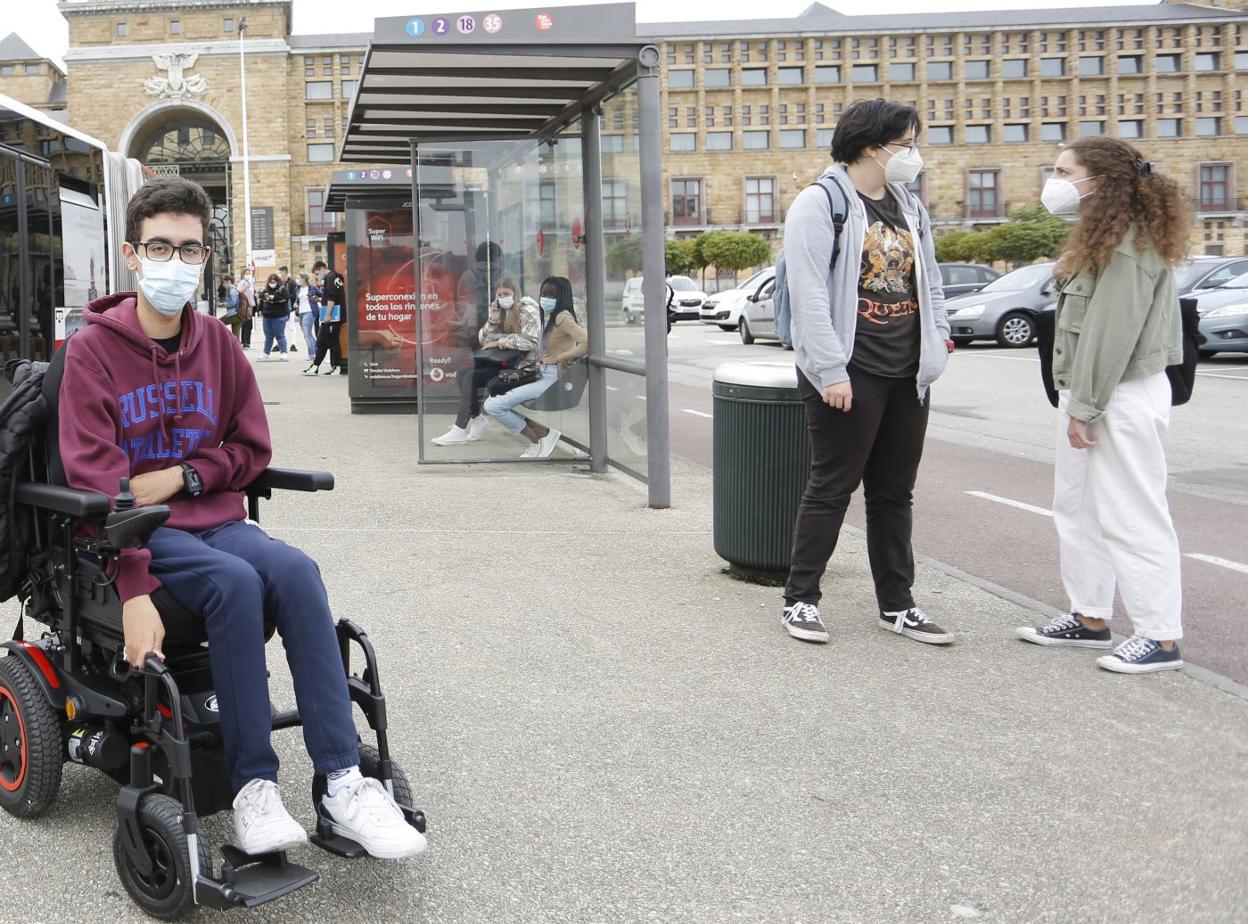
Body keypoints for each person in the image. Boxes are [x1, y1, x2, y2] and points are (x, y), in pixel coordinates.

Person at [57, 177, 425, 859]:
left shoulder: (219, 346)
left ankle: (342, 784)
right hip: (142, 536)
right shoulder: (91, 352)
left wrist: (186, 474)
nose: (175, 261)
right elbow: (102, 485)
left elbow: (250, 448)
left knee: (296, 569)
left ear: (206, 259)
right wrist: (134, 592)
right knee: (235, 582)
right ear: (132, 255)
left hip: (216, 520)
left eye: (189, 249)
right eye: (160, 246)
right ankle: (255, 789)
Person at [781, 98, 954, 647]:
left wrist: (939, 344)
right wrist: (830, 369)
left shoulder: (909, 205)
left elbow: (930, 280)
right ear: (870, 145)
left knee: (894, 493)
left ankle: (898, 606)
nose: (913, 155)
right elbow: (809, 292)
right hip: (848, 373)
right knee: (832, 486)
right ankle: (801, 600)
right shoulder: (821, 202)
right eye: (905, 144)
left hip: (908, 374)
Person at [1016, 137, 1190, 674]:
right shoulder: (1104, 234)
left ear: (1102, 180)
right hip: (1093, 393)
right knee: (1078, 507)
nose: (1056, 180)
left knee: (1132, 512)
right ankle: (1090, 617)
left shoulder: (1128, 243)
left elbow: (1111, 333)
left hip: (1117, 393)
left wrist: (1085, 407)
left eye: (1065, 171)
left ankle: (1160, 636)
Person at [482, 276, 586, 457]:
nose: (545, 299)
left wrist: (564, 356)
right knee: (493, 391)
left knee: (495, 406)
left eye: (551, 295)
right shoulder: (550, 317)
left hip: (550, 378)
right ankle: (541, 439)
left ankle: (540, 439)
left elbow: (587, 341)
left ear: (562, 296)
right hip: (538, 371)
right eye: (543, 294)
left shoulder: (562, 317)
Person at [432, 276, 540, 446]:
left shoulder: (527, 311)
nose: (503, 298)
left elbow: (531, 342)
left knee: (470, 378)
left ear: (516, 293)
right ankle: (476, 419)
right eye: (500, 295)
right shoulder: (500, 311)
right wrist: (494, 318)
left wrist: (500, 341)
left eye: (507, 293)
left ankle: (459, 429)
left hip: (522, 370)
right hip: (503, 366)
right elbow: (482, 339)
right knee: (464, 374)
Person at [303, 259, 345, 376]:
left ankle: (319, 366)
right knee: (329, 341)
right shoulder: (336, 277)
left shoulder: (329, 278)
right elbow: (332, 298)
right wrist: (320, 300)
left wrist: (327, 315)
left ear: (322, 268)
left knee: (324, 340)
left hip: (332, 316)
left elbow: (332, 297)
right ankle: (323, 366)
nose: (317, 276)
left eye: (317, 273)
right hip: (336, 314)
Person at [257, 272, 291, 360]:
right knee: (268, 336)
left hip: (279, 316)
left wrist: (274, 297)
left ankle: (284, 352)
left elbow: (285, 298)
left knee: (279, 335)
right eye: (270, 282)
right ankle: (265, 353)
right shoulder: (266, 290)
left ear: (277, 281)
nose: (272, 284)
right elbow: (262, 301)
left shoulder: (282, 289)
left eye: (274, 282)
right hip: (267, 316)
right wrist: (259, 310)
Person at [294, 272, 319, 357]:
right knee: (307, 334)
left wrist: (317, 299)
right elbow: (298, 299)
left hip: (310, 311)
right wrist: (296, 304)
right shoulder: (298, 289)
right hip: (301, 312)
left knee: (307, 334)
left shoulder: (312, 288)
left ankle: (312, 354)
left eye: (298, 278)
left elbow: (322, 295)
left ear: (304, 279)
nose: (297, 280)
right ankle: (317, 351)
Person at [278, 265, 300, 353]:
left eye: (282, 274)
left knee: (291, 326)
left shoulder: (292, 283)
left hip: (290, 308)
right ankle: (278, 344)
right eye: (280, 274)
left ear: (286, 273)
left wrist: (285, 296)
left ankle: (293, 344)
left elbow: (294, 295)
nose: (281, 276)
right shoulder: (279, 283)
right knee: (279, 327)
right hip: (280, 308)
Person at [236, 268, 256, 349]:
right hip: (245, 307)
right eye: (246, 273)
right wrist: (245, 287)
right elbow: (239, 291)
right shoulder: (243, 283)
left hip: (250, 306)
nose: (248, 275)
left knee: (249, 325)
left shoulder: (249, 283)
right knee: (246, 324)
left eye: (249, 273)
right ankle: (245, 343)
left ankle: (247, 342)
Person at [220, 273, 242, 337]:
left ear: (228, 281)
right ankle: (236, 346)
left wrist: (225, 304)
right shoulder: (233, 289)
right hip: (238, 314)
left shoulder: (232, 290)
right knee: (236, 334)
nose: (224, 284)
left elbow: (233, 302)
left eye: (224, 282)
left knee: (218, 323)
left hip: (233, 314)